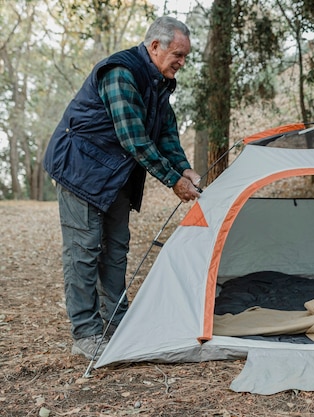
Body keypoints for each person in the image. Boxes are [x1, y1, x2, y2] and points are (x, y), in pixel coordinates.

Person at [43, 16, 202, 360]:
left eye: (186, 56)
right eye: (178, 54)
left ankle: (116, 323)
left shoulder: (161, 82)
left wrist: (185, 168)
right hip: (80, 169)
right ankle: (85, 333)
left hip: (115, 175)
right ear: (155, 46)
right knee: (84, 250)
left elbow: (166, 134)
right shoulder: (121, 72)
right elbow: (135, 139)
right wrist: (173, 180)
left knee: (116, 248)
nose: (182, 62)